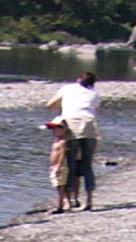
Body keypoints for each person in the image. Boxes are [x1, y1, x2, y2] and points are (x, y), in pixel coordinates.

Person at [47, 71, 100, 209]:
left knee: (71, 164)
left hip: (72, 124)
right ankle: (89, 200)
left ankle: (68, 201)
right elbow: (95, 110)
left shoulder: (68, 88)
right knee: (87, 165)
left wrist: (63, 107)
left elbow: (50, 104)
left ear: (78, 80)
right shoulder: (94, 94)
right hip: (89, 126)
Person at [45, 117, 76, 212]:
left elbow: (62, 154)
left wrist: (58, 165)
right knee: (57, 185)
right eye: (53, 129)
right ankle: (63, 203)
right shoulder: (57, 141)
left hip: (60, 167)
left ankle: (60, 205)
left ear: (64, 130)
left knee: (60, 186)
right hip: (55, 166)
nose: (54, 131)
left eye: (56, 129)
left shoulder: (62, 142)